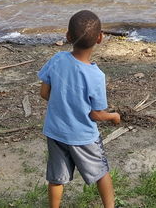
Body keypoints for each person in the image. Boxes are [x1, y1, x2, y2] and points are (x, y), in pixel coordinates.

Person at [38, 10, 121, 208]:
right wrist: (114, 116)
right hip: (83, 136)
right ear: (100, 38)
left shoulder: (57, 59)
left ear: (68, 36)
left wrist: (62, 100)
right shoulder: (95, 76)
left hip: (56, 131)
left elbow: (44, 93)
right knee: (101, 172)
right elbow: (96, 114)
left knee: (56, 177)